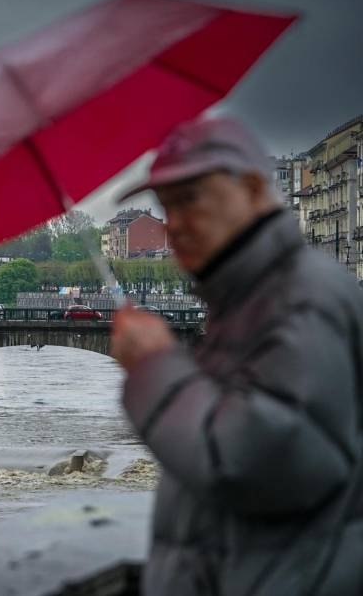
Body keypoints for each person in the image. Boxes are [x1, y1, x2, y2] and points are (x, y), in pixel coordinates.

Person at [111, 115, 363, 595]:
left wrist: (156, 369)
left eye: (190, 200)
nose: (175, 225)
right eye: (166, 207)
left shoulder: (302, 298)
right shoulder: (248, 299)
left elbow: (262, 463)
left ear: (250, 189)